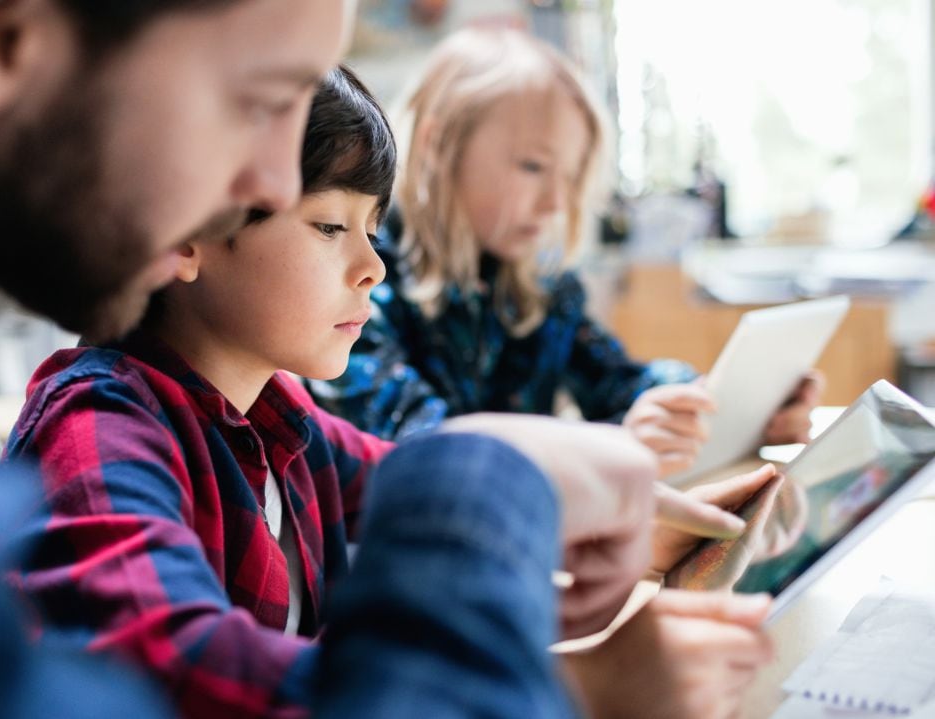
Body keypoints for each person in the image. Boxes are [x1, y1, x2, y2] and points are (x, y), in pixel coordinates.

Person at [0, 2, 770, 717]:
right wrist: (569, 684)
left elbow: (406, 476)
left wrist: (642, 513)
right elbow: (170, 676)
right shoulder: (93, 416)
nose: (256, 185)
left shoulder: (283, 425)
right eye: (250, 106)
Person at [304, 27, 822, 477]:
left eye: (571, 178)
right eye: (532, 167)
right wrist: (613, 445)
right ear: (440, 147)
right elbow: (415, 440)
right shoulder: (362, 275)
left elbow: (620, 385)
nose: (556, 202)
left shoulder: (542, 286)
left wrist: (711, 404)